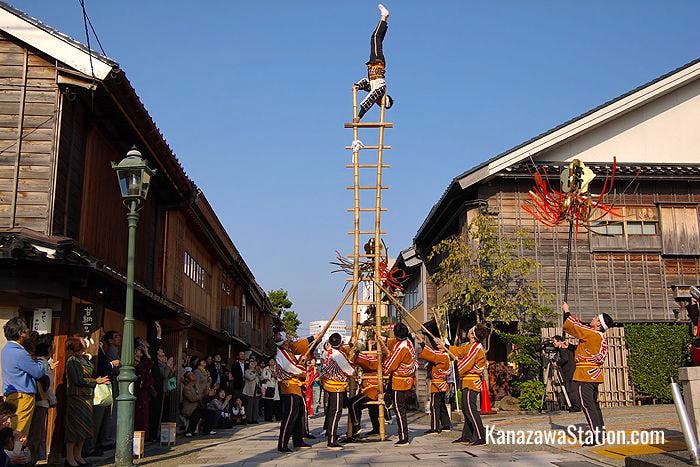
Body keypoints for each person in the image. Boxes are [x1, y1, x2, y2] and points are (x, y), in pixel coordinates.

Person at [562, 302, 614, 446]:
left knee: (586, 405)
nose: (593, 318)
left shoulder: (592, 333)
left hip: (585, 373)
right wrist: (572, 347)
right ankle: (600, 434)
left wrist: (567, 312)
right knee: (593, 405)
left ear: (598, 323)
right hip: (594, 373)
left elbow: (575, 327)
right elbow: (587, 351)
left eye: (596, 317)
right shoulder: (599, 336)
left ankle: (596, 437)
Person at [65, 337, 110, 467]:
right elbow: (78, 380)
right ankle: (69, 457)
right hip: (77, 397)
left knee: (85, 428)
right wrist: (96, 381)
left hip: (87, 397)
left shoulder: (84, 358)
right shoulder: (72, 360)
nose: (84, 341)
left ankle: (78, 455)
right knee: (74, 428)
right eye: (81, 341)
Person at [1, 317, 45, 445]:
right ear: (21, 333)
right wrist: (41, 362)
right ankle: (16, 458)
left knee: (10, 429)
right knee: (19, 433)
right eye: (25, 330)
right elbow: (37, 372)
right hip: (23, 395)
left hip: (10, 394)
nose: (27, 333)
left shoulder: (6, 349)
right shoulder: (20, 352)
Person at [274, 328, 318, 453]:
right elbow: (292, 368)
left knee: (298, 415)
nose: (289, 341)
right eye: (286, 340)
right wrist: (303, 368)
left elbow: (298, 345)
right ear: (283, 342)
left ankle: (298, 441)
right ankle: (282, 444)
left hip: (295, 386)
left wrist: (314, 337)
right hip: (289, 387)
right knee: (290, 415)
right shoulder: (282, 353)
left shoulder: (289, 351)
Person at [446, 324, 488, 446]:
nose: (469, 330)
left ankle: (481, 436)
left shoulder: (477, 348)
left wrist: (458, 363)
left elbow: (466, 364)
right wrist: (446, 346)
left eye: (471, 329)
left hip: (471, 382)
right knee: (466, 409)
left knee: (471, 409)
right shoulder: (471, 346)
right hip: (466, 381)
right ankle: (467, 436)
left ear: (473, 335)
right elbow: (460, 351)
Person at [352, 4, 393, 123]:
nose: (378, 105)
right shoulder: (381, 89)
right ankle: (384, 17)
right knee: (376, 38)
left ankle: (384, 20)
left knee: (376, 38)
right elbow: (370, 99)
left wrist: (357, 86)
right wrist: (360, 116)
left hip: (373, 63)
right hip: (377, 62)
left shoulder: (376, 88)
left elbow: (367, 83)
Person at [85, 330, 120, 456]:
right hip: (98, 385)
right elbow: (101, 367)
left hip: (103, 386)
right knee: (96, 418)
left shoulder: (101, 348)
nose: (103, 332)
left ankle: (94, 445)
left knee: (101, 418)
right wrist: (111, 365)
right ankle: (90, 447)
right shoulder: (97, 349)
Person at [381, 322, 417, 447]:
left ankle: (404, 437)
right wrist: (383, 339)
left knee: (399, 408)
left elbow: (390, 365)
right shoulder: (408, 343)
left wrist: (384, 368)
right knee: (398, 406)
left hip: (399, 380)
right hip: (406, 378)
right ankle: (388, 397)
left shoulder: (401, 347)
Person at [318, 333, 354, 450]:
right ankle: (332, 440)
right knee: (336, 412)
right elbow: (349, 371)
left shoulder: (328, 352)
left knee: (332, 411)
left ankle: (330, 434)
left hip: (328, 384)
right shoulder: (338, 355)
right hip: (336, 385)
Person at [27, 333, 57, 462]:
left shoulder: (37, 362)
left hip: (36, 401)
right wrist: (53, 399)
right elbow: (46, 385)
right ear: (49, 348)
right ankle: (32, 460)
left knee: (36, 434)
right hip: (41, 402)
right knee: (36, 434)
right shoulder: (42, 364)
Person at [415, 333, 451, 435]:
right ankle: (446, 424)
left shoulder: (442, 356)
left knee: (434, 405)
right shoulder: (444, 356)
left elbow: (432, 355)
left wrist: (422, 342)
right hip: (441, 383)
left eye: (440, 345)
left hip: (438, 384)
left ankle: (435, 427)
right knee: (441, 404)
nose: (438, 346)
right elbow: (432, 353)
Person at [347, 342, 381, 441]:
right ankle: (376, 428)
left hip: (373, 388)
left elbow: (369, 364)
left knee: (353, 403)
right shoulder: (372, 356)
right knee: (370, 408)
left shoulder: (378, 357)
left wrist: (358, 353)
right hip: (368, 388)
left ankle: (356, 426)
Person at [552, 335, 581, 412]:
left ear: (559, 341)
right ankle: (576, 405)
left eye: (554, 341)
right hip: (572, 370)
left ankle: (576, 407)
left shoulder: (562, 349)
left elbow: (565, 359)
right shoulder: (567, 348)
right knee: (574, 389)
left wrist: (557, 363)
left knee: (571, 389)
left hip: (569, 371)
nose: (553, 343)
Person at [181, 372, 215, 437]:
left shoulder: (197, 386)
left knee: (211, 412)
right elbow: (192, 398)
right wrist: (204, 395)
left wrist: (209, 389)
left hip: (199, 407)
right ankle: (189, 431)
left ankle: (207, 430)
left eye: (193, 374)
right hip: (190, 409)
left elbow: (205, 390)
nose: (193, 375)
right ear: (187, 379)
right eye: (190, 375)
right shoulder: (186, 388)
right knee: (197, 413)